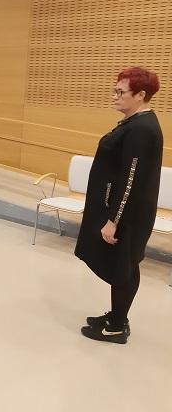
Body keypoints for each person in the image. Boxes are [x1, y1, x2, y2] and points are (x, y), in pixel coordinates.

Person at [76, 67, 163, 344]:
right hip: (127, 212)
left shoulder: (142, 129)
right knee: (124, 266)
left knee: (124, 267)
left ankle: (116, 327)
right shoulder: (135, 123)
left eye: (120, 92)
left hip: (129, 216)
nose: (114, 96)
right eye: (114, 90)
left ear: (140, 95)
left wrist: (114, 220)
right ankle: (117, 316)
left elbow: (130, 180)